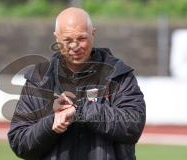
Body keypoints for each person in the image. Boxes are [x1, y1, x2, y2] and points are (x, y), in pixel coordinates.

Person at [8, 7, 146, 160]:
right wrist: (51, 124)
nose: (74, 46)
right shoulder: (40, 79)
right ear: (57, 38)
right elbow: (20, 143)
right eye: (67, 40)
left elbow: (133, 126)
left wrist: (79, 111)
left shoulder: (117, 74)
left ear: (93, 33)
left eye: (81, 38)